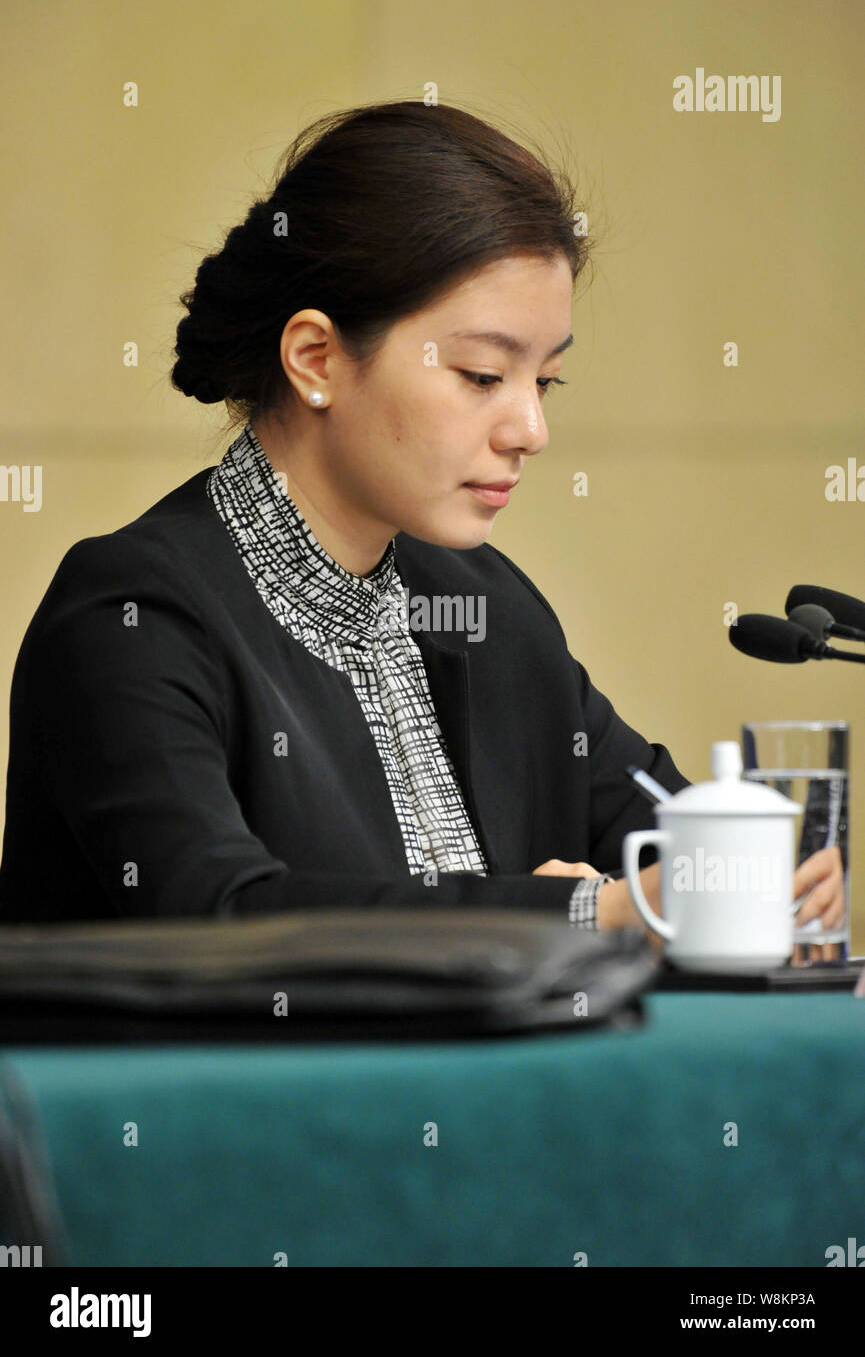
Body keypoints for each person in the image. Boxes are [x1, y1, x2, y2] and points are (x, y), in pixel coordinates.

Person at [0, 100, 844, 941]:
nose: (530, 432)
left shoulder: (486, 607)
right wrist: (595, 912)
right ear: (316, 359)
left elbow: (662, 829)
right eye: (482, 376)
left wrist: (768, 872)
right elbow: (223, 914)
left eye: (543, 382)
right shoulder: (131, 613)